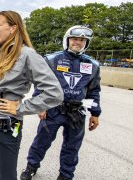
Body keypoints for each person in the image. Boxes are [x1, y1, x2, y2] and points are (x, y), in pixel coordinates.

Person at [0, 10, 63, 180]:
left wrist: (21, 107)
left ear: (13, 28)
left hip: (6, 124)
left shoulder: (27, 55)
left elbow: (55, 92)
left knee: (6, 175)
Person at [20, 25, 101, 180]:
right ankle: (31, 167)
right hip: (53, 110)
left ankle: (65, 175)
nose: (78, 42)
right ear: (67, 40)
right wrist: (40, 105)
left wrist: (95, 114)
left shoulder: (93, 66)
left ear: (87, 43)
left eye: (82, 40)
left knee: (72, 147)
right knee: (41, 142)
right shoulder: (52, 60)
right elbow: (40, 83)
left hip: (77, 113)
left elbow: (94, 90)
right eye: (75, 39)